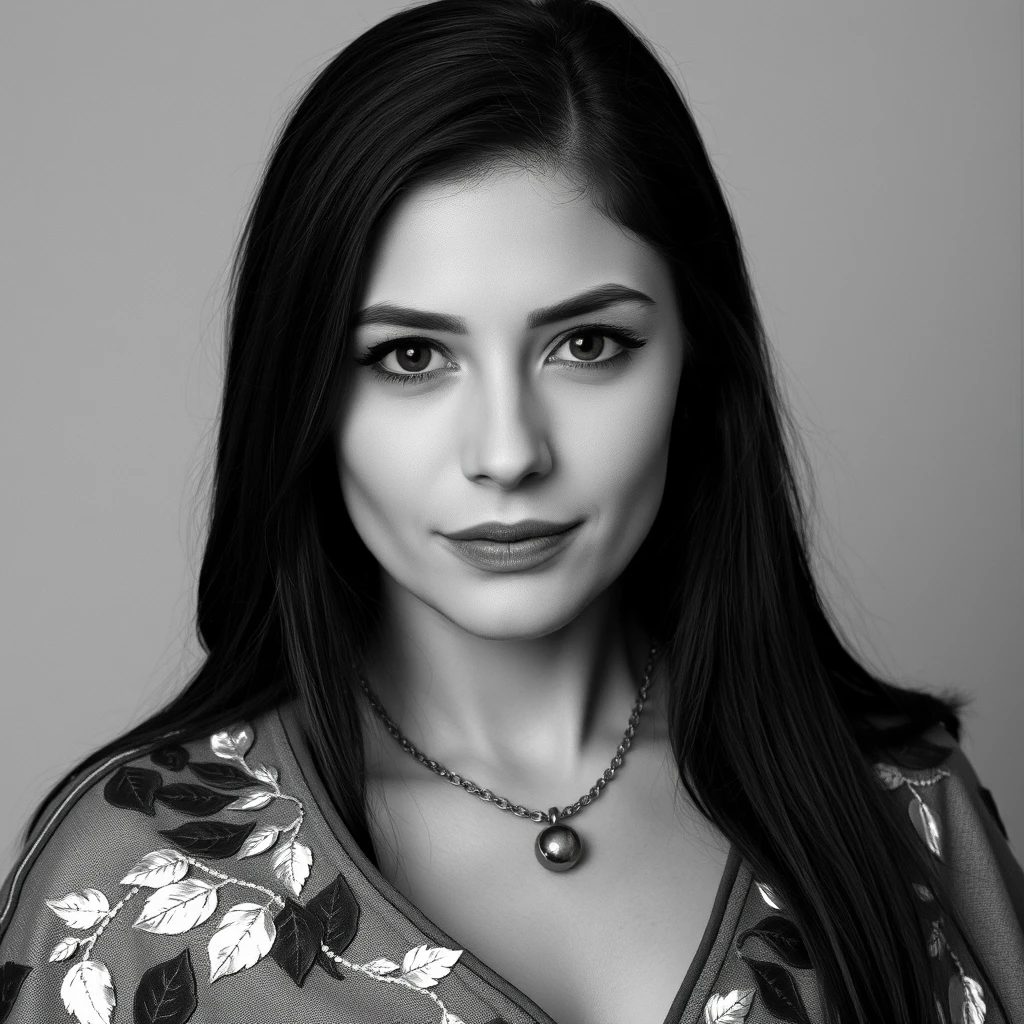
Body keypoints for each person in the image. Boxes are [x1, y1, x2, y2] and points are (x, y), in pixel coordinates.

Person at [1, 1, 1021, 1022]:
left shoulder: (900, 812)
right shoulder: (128, 889)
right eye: (409, 357)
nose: (506, 452)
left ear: (696, 361)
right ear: (303, 392)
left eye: (584, 345)